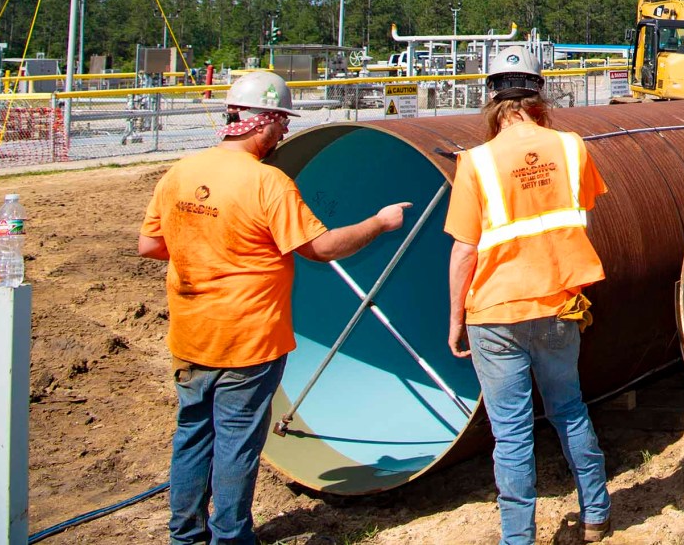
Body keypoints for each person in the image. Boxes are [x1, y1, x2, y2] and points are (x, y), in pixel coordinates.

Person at [139, 70, 409, 545]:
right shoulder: (268, 184)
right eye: (281, 121)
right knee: (237, 445)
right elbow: (321, 248)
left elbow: (150, 245)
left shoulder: (181, 172)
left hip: (191, 335)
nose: (284, 131)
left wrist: (207, 249)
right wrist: (380, 222)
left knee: (192, 436)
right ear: (260, 121)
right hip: (249, 340)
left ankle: (185, 535)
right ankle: (232, 537)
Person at [446, 43, 612, 544]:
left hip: (495, 313)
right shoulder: (571, 147)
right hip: (559, 303)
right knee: (569, 409)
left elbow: (464, 253)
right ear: (539, 94)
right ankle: (597, 515)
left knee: (512, 432)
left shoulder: (474, 162)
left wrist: (456, 318)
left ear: (491, 97)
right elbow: (576, 215)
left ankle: (518, 537)